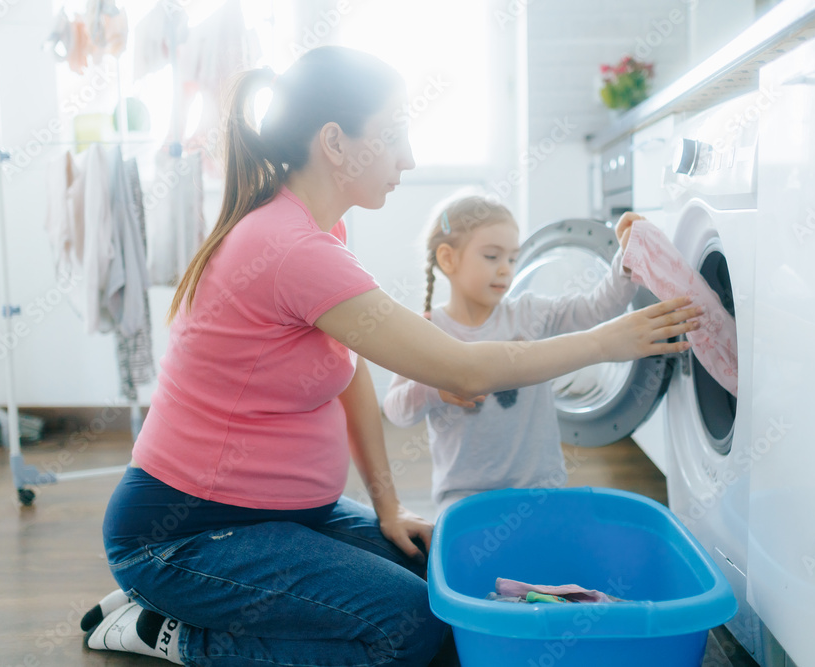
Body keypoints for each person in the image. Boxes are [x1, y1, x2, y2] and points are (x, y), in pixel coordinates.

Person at [80, 46, 700, 667]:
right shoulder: (292, 248)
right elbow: (463, 367)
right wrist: (607, 342)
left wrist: (387, 507)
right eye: (394, 136)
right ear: (335, 142)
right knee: (409, 630)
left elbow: (351, 373)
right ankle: (172, 630)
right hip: (181, 538)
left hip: (287, 518)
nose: (409, 158)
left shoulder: (321, 233)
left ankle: (187, 606)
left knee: (441, 586)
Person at [383, 197, 652, 515]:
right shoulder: (427, 331)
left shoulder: (529, 312)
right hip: (463, 496)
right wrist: (434, 390)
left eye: (512, 258)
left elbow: (597, 309)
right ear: (448, 259)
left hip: (539, 488)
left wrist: (626, 260)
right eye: (492, 256)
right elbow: (395, 410)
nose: (505, 269)